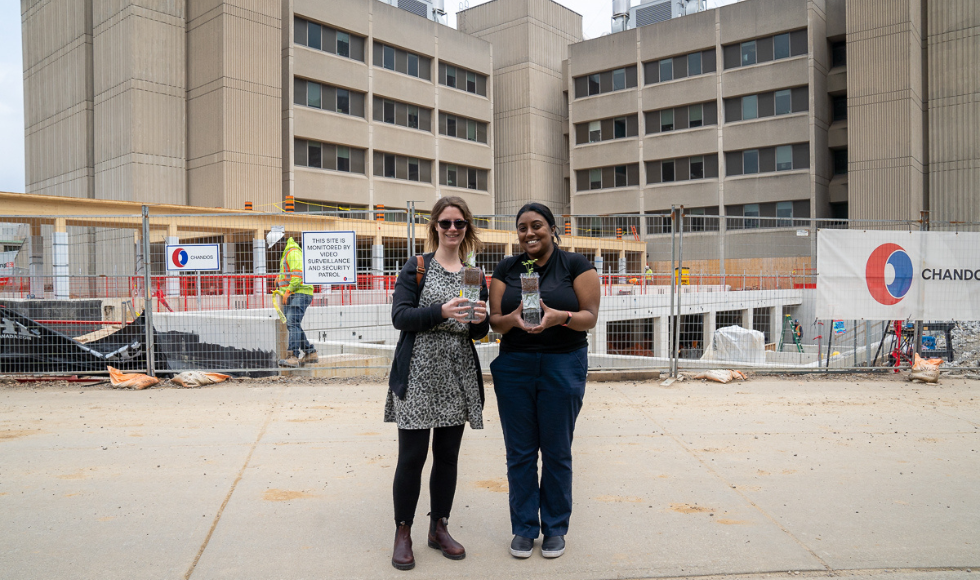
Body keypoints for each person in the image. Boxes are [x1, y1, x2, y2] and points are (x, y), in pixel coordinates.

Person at [488, 202, 600, 560]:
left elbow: (590, 317)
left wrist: (560, 317)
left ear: (552, 228)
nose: (529, 233)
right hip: (515, 365)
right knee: (519, 452)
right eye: (522, 228)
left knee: (556, 451)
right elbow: (494, 321)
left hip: (562, 363)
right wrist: (514, 319)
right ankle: (523, 528)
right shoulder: (506, 268)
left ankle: (554, 528)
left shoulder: (576, 265)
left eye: (536, 226)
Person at [385, 196, 489, 571]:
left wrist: (480, 320)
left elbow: (479, 332)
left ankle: (438, 526)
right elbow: (400, 316)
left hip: (456, 374)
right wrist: (440, 311)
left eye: (459, 223)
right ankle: (403, 532)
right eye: (445, 223)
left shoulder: (474, 274)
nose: (452, 229)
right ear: (434, 227)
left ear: (467, 228)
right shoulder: (416, 267)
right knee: (411, 458)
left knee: (447, 457)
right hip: (418, 372)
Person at [268, 228, 317, 367]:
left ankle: (293, 356)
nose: (275, 249)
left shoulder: (293, 252)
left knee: (292, 323)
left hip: (300, 292)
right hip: (296, 293)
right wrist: (280, 278)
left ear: (280, 242)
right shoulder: (287, 252)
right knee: (293, 323)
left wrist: (288, 290)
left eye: (275, 246)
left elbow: (297, 274)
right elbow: (290, 273)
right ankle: (310, 352)